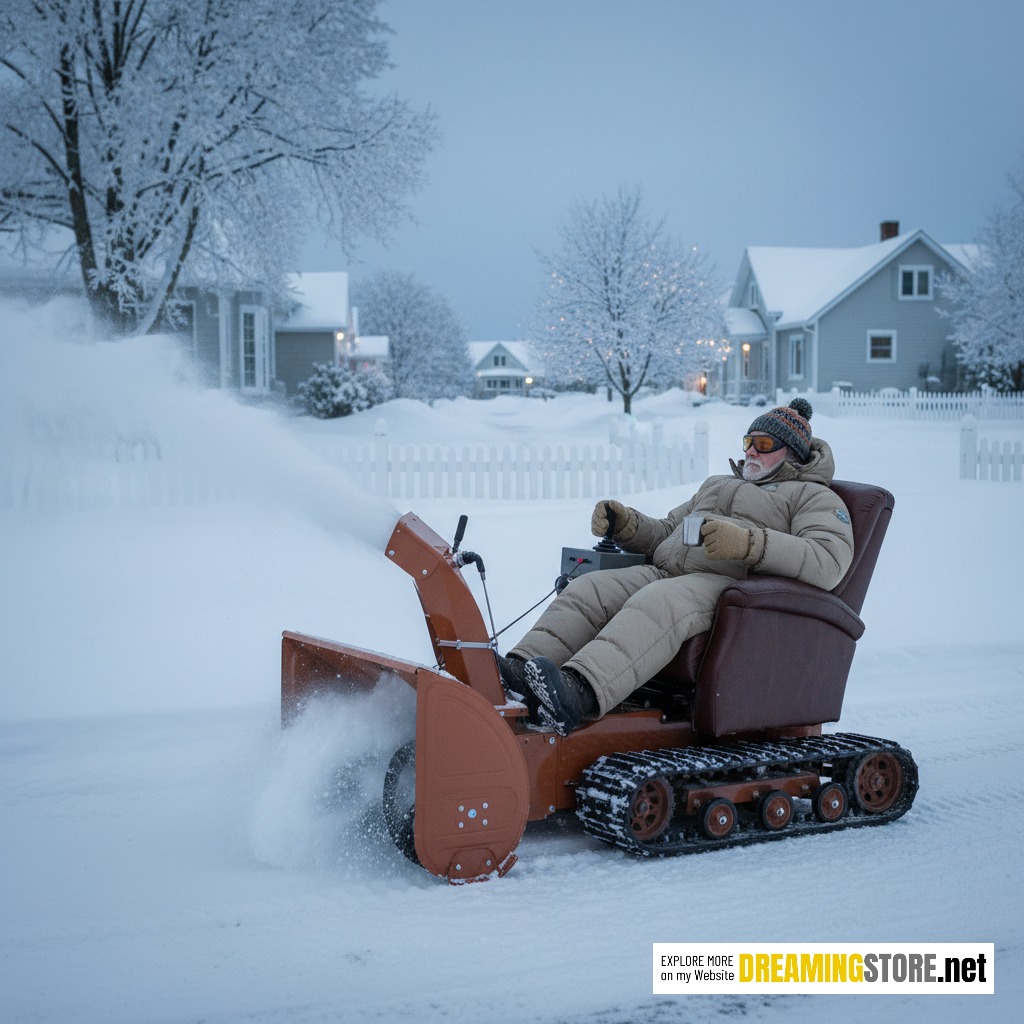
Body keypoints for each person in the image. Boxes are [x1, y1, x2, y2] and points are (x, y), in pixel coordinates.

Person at [499, 398, 855, 736]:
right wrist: (629, 526)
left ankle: (581, 690)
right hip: (670, 571)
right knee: (590, 588)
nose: (750, 450)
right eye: (749, 440)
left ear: (791, 452)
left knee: (658, 600)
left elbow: (828, 560)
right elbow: (670, 530)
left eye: (762, 443)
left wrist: (750, 543)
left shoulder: (813, 496)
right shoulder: (719, 484)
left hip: (729, 587)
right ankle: (520, 670)